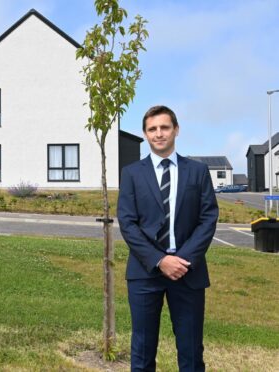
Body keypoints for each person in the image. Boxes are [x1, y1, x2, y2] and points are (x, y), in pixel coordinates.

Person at [117, 105, 218, 371]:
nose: (159, 134)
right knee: (142, 350)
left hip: (188, 271)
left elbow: (208, 218)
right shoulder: (131, 174)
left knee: (191, 351)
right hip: (144, 272)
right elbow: (127, 223)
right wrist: (160, 260)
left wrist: (181, 259)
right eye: (152, 129)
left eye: (164, 127)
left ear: (176, 130)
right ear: (145, 134)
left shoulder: (197, 172)